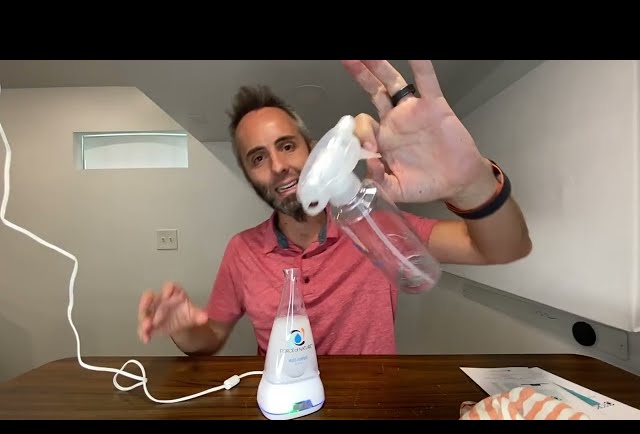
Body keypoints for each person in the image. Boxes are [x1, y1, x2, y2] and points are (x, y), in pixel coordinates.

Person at [137, 60, 532, 356]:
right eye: (258, 158)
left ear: (312, 150)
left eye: (287, 146)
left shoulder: (377, 224)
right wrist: (184, 329)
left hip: (372, 405)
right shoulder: (241, 251)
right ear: (248, 174)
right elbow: (211, 338)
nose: (278, 166)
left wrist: (472, 185)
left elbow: (505, 248)